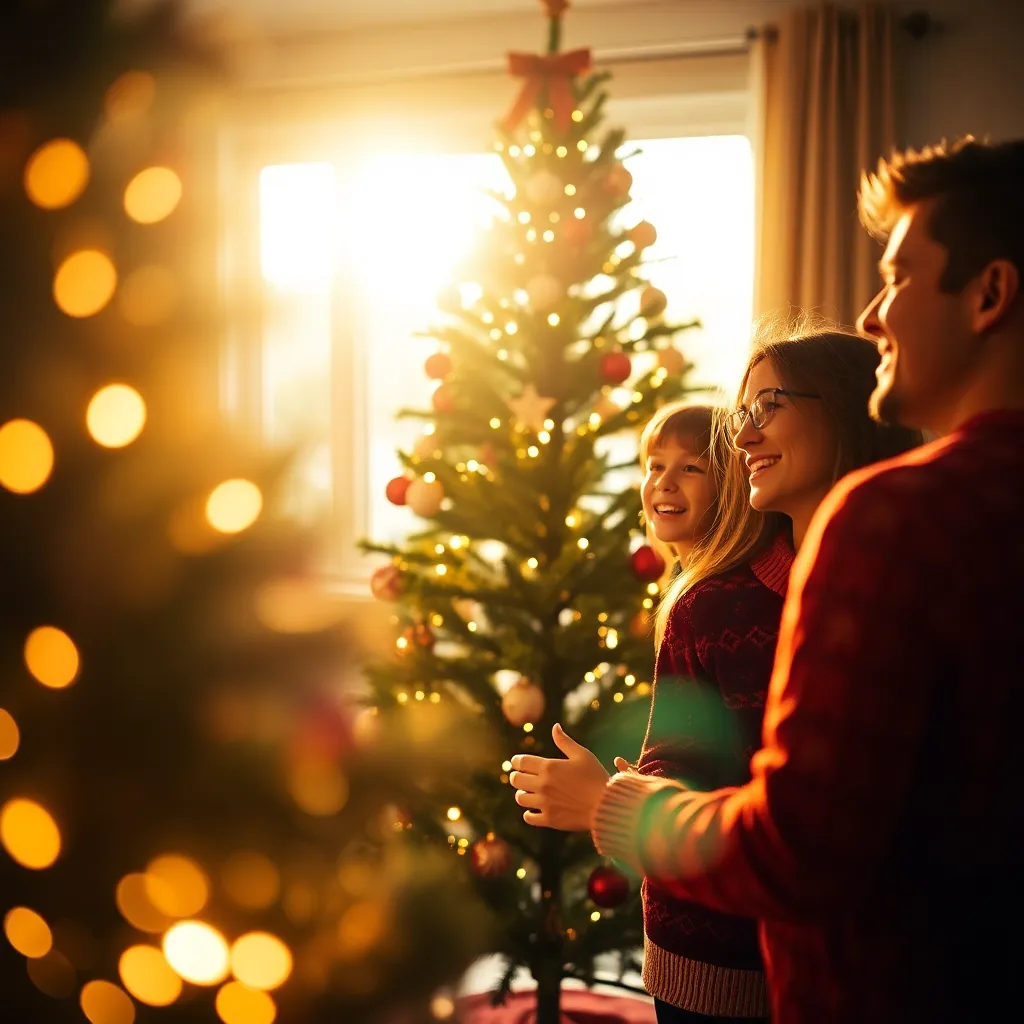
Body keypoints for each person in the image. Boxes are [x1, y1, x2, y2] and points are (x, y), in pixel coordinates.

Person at [566, 136, 1024, 1024]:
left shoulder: (892, 521)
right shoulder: (723, 596)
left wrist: (624, 808)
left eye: (897, 279)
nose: (875, 314)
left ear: (990, 294)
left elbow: (800, 849)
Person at [510, 327, 919, 1022]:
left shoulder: (898, 594)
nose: (745, 438)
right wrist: (618, 797)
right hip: (709, 967)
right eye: (742, 416)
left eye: (770, 407)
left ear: (851, 410)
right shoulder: (714, 605)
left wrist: (609, 801)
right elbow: (686, 764)